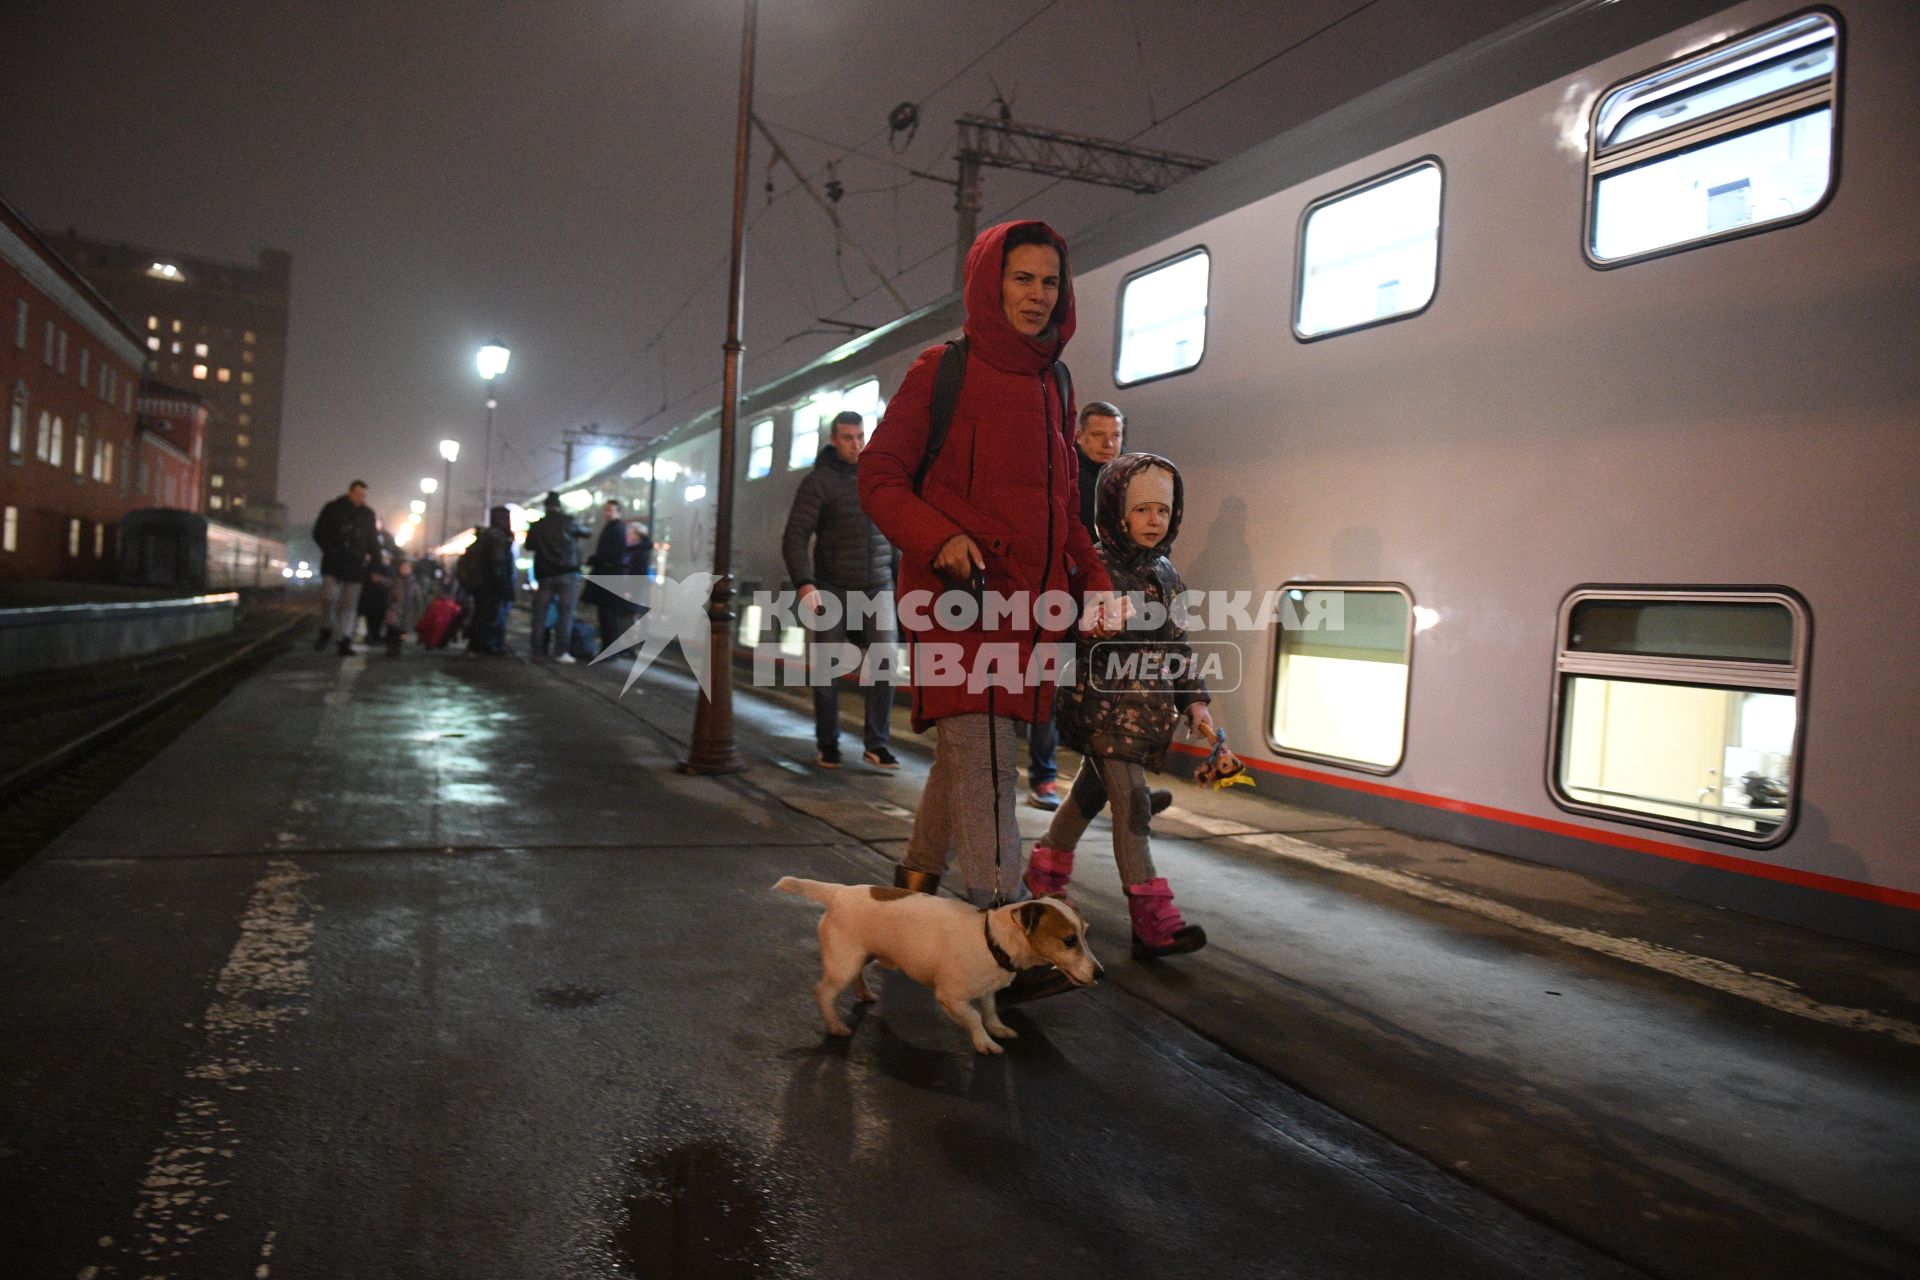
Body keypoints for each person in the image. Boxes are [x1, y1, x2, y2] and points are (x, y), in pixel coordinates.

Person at [859, 220, 1118, 907]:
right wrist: (939, 537)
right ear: (990, 283)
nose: (1037, 295)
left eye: (1050, 282)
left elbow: (1064, 501)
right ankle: (1008, 928)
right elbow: (880, 475)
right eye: (1021, 278)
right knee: (992, 763)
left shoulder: (1055, 384)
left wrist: (1092, 582)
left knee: (973, 754)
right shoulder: (940, 370)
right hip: (958, 602)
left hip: (1029, 612)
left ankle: (912, 885)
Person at [1027, 452, 1212, 959]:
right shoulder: (1094, 568)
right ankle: (1153, 923)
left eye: (1162, 511)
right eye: (1141, 510)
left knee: (1088, 797)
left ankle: (1043, 874)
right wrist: (1091, 628)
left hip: (1144, 714)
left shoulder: (1167, 573)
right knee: (1134, 811)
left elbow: (1177, 645)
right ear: (1114, 512)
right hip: (1103, 708)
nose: (1154, 521)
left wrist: (1195, 702)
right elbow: (1063, 628)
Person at [783, 410, 900, 769]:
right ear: (834, 440)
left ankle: (876, 744)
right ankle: (828, 743)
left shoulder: (878, 478)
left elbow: (894, 532)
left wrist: (902, 583)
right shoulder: (819, 482)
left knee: (885, 660)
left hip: (877, 584)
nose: (856, 444)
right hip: (830, 586)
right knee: (826, 670)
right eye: (848, 438)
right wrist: (805, 582)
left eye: (861, 436)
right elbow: (795, 535)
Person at [1027, 400, 1128, 810]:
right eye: (1099, 435)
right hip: (1065, 599)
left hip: (1107, 599)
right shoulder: (1065, 481)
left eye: (1115, 436)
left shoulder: (1125, 482)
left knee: (1106, 693)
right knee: (1050, 690)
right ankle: (1043, 779)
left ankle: (1113, 784)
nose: (1109, 444)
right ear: (1079, 437)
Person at [312, 480, 379, 656]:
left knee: (349, 605)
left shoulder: (368, 514)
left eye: (363, 495)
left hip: (355, 565)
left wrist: (374, 564)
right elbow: (319, 532)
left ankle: (344, 638)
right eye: (358, 494)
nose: (361, 498)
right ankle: (327, 628)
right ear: (350, 492)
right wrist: (330, 550)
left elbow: (372, 540)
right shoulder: (332, 508)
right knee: (328, 598)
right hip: (334, 562)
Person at [526, 491, 590, 663]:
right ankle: (561, 652)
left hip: (545, 575)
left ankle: (537, 651)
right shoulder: (568, 521)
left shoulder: (537, 525)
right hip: (567, 574)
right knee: (566, 613)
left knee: (540, 614)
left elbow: (529, 545)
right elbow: (587, 532)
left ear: (546, 507)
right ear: (559, 507)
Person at [465, 506, 517, 656]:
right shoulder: (498, 537)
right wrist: (504, 586)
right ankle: (486, 645)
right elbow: (497, 563)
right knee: (490, 615)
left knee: (481, 614)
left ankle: (477, 645)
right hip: (491, 585)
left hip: (481, 584)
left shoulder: (487, 535)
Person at [587, 499, 633, 650]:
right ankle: (609, 650)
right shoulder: (614, 527)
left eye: (610, 510)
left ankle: (609, 650)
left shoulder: (616, 528)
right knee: (607, 614)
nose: (606, 513)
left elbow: (611, 554)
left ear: (618, 512)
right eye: (605, 510)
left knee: (607, 615)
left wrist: (595, 560)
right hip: (609, 577)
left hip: (609, 579)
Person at [383, 557, 428, 655]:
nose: (405, 569)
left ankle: (397, 647)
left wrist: (419, 611)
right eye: (403, 567)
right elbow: (387, 588)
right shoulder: (395, 581)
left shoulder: (414, 584)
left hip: (407, 612)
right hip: (395, 610)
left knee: (401, 632)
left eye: (407, 568)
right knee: (392, 630)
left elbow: (418, 599)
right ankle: (390, 647)